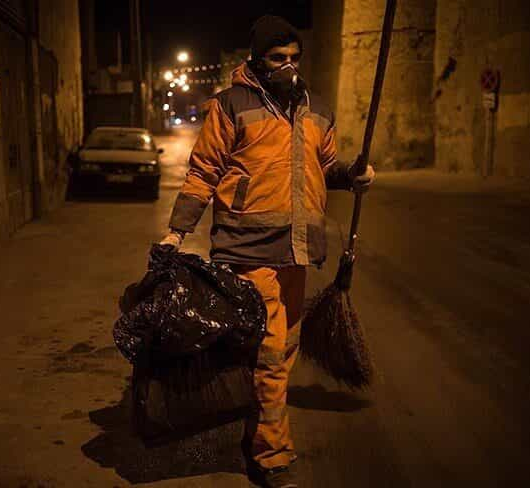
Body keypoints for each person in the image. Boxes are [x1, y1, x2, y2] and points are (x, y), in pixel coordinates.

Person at [159, 15, 375, 488]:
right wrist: (177, 231)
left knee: (282, 350)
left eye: (295, 58)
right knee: (270, 353)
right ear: (256, 60)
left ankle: (252, 426)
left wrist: (352, 176)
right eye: (279, 59)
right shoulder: (231, 104)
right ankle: (273, 456)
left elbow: (327, 167)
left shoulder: (316, 110)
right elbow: (203, 171)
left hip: (297, 250)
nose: (289, 67)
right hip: (246, 248)